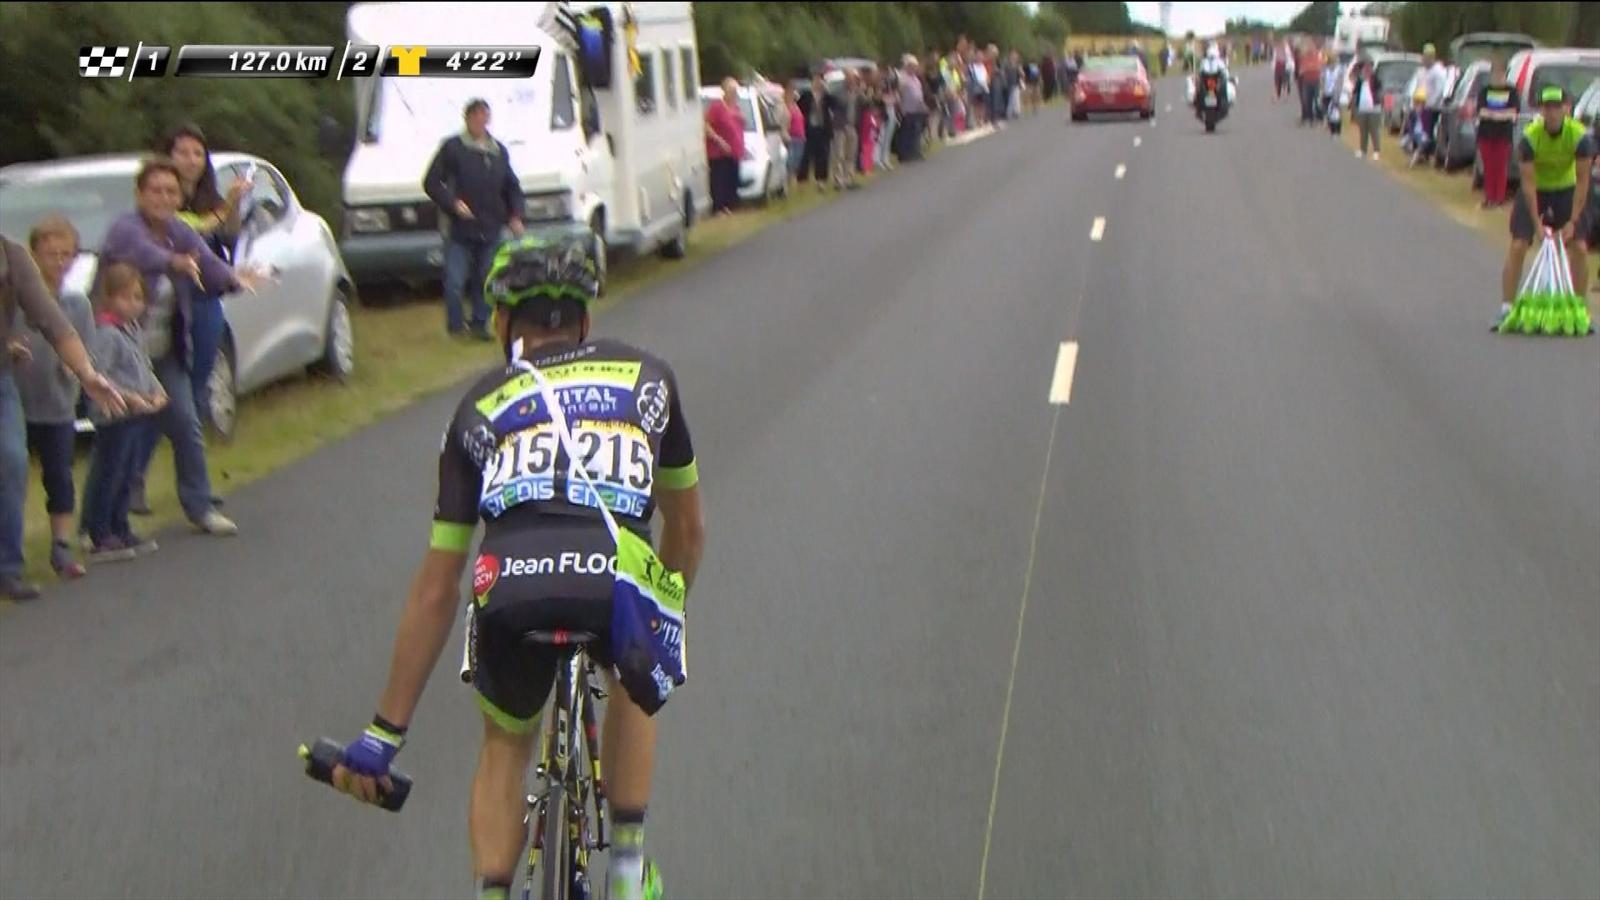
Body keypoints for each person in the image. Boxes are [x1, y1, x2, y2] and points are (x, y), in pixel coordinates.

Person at [322, 233, 705, 900]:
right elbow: (688, 527)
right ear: (585, 318)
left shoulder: (478, 404)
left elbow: (438, 584)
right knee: (639, 679)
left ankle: (493, 893)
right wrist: (661, 615)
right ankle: (625, 870)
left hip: (513, 589)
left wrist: (385, 731)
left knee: (504, 746)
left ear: (503, 322)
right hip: (611, 579)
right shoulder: (650, 378)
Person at [98, 156, 267, 538]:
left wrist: (235, 278)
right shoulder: (125, 230)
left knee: (187, 423)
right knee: (119, 436)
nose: (163, 197)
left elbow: (207, 264)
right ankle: (104, 520)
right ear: (140, 194)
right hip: (122, 353)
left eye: (171, 191)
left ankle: (200, 506)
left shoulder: (180, 231)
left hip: (164, 351)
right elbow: (145, 255)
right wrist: (177, 262)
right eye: (155, 190)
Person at [1, 235, 126, 601]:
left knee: (11, 459)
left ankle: (7, 569)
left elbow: (54, 323)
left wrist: (87, 374)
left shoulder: (11, 257)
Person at [16, 217, 95, 578]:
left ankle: (61, 546)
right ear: (34, 255)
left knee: (59, 476)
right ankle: (11, 547)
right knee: (12, 473)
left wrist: (76, 368)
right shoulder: (16, 301)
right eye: (51, 255)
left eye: (66, 255)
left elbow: (86, 349)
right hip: (18, 402)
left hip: (57, 404)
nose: (59, 262)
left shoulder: (77, 304)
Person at [80, 263, 168, 562]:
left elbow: (144, 366)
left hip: (137, 415)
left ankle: (120, 525)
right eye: (125, 297)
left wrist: (157, 391)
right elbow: (100, 376)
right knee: (110, 471)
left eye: (138, 298)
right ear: (109, 298)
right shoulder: (106, 334)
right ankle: (100, 532)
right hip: (115, 415)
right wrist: (130, 398)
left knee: (130, 471)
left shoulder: (132, 331)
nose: (133, 304)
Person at [160, 123, 245, 430]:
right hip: (170, 299)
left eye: (198, 153)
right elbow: (190, 228)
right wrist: (227, 207)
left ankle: (194, 430)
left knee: (201, 370)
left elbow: (228, 236)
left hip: (205, 297)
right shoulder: (160, 198)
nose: (191, 159)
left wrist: (233, 206)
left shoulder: (211, 198)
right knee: (173, 370)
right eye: (182, 152)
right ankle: (181, 430)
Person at [424, 99, 526, 341]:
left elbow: (512, 187)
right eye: (477, 116)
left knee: (486, 279)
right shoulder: (453, 147)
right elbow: (431, 182)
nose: (481, 121)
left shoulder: (498, 151)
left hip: (491, 228)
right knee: (455, 283)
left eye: (485, 116)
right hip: (459, 229)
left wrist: (515, 215)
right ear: (467, 118)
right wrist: (452, 203)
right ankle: (457, 328)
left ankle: (481, 325)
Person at [1497, 86, 1594, 330]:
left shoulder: (1579, 136)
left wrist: (1572, 221)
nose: (1551, 113)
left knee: (1580, 248)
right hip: (1537, 191)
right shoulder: (1530, 138)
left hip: (1567, 190)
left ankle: (1579, 308)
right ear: (1541, 110)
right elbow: (1528, 185)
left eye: (1556, 107)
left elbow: (1583, 181)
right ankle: (1506, 307)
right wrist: (1537, 223)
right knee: (1519, 244)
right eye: (1547, 108)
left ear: (1566, 109)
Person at [1475, 59, 1520, 209]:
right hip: (1486, 135)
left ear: (1505, 74)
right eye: (1494, 73)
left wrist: (1494, 114)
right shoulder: (1485, 91)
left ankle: (1499, 198)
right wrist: (1500, 114)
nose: (1497, 76)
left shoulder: (1511, 91)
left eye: (1500, 73)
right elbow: (1481, 111)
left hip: (1503, 135)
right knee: (1488, 167)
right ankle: (1489, 197)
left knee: (1500, 167)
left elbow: (1513, 113)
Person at [704, 77, 745, 214]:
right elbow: (706, 126)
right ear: (725, 91)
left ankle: (729, 205)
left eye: (735, 90)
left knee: (732, 180)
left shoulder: (736, 107)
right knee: (719, 180)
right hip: (719, 152)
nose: (734, 93)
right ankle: (719, 208)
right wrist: (719, 140)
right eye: (732, 90)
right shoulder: (717, 107)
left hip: (734, 151)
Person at [796, 72, 839, 191]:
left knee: (822, 156)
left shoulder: (826, 96)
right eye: (815, 81)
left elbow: (835, 104)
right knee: (806, 156)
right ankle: (802, 180)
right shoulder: (806, 95)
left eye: (820, 81)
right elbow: (798, 107)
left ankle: (821, 181)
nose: (817, 83)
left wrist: (827, 90)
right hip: (809, 129)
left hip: (823, 129)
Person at [1351, 57, 1384, 161]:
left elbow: (1380, 92)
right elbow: (1355, 93)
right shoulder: (1360, 80)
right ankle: (1362, 150)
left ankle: (1376, 151)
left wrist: (1380, 102)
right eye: (1365, 66)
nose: (1367, 69)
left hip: (1374, 109)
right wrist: (1354, 107)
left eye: (1369, 66)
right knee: (1363, 130)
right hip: (1362, 108)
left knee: (1374, 131)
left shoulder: (1376, 79)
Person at [785, 86, 806, 187]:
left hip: (800, 136)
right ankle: (790, 179)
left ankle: (795, 177)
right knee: (791, 159)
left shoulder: (797, 107)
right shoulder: (787, 108)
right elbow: (786, 123)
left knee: (798, 158)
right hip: (792, 137)